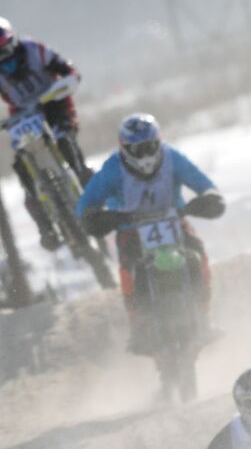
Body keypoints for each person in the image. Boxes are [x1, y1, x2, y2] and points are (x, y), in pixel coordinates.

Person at [76, 113, 225, 351]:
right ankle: (139, 326)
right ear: (124, 148)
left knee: (198, 255)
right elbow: (86, 203)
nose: (144, 155)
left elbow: (202, 183)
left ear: (159, 142)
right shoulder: (112, 168)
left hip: (174, 222)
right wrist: (95, 217)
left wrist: (209, 198)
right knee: (128, 270)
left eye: (150, 147)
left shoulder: (172, 158)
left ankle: (203, 318)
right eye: (137, 149)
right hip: (130, 230)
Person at [0, 16, 91, 251]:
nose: (3, 59)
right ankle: (45, 227)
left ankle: (83, 175)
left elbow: (65, 67)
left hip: (53, 101)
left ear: (13, 41)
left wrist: (70, 75)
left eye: (5, 50)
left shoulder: (35, 49)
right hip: (23, 116)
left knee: (64, 138)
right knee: (22, 167)